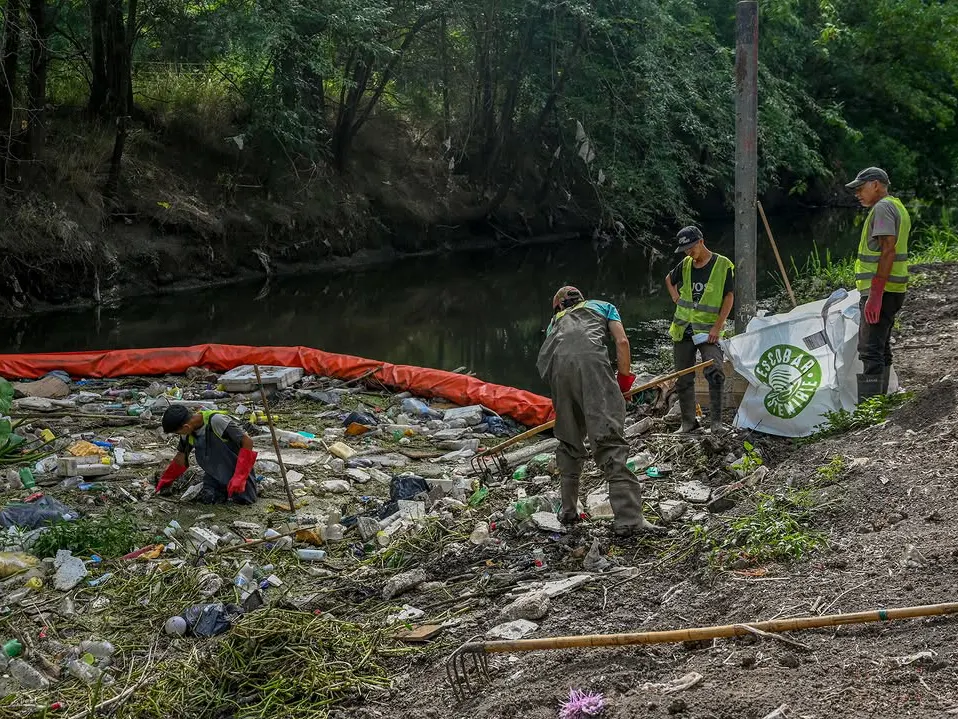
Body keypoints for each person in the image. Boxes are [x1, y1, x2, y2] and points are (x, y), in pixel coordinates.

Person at [536, 286, 664, 537]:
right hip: (593, 368)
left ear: (559, 306)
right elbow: (622, 341)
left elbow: (548, 358)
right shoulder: (603, 306)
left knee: (569, 439)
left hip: (559, 374)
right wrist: (624, 381)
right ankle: (629, 519)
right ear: (582, 299)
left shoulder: (556, 321)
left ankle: (569, 511)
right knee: (609, 440)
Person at [845, 167, 910, 401]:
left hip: (882, 291)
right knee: (880, 347)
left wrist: (874, 294)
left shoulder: (882, 208)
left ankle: (870, 409)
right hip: (893, 289)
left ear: (875, 184)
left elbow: (888, 250)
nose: (857, 194)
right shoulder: (896, 206)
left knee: (870, 350)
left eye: (860, 188)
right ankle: (882, 400)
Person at [665, 226, 735, 434]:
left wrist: (717, 326)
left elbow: (728, 297)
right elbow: (669, 279)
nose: (688, 253)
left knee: (715, 371)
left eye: (691, 248)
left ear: (701, 242)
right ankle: (688, 423)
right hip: (683, 328)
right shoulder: (686, 264)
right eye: (685, 249)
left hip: (707, 330)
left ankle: (716, 423)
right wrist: (675, 296)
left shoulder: (722, 265)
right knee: (684, 376)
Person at [155, 405, 258, 504]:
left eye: (177, 433)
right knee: (209, 498)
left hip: (236, 469)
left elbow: (247, 442)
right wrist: (166, 479)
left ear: (186, 427)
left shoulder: (216, 421)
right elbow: (181, 457)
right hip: (213, 473)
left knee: (245, 501)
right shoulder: (187, 432)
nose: (179, 435)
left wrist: (240, 477)